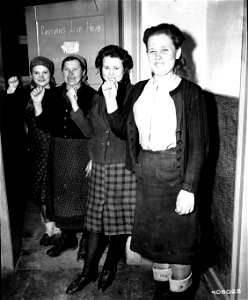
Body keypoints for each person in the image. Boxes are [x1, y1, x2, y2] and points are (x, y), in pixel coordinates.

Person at [105, 24, 209, 300]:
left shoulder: (191, 93)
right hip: (147, 175)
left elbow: (199, 144)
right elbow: (122, 130)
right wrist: (111, 101)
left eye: (165, 50)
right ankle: (161, 292)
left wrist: (190, 187)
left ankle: (178, 295)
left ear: (177, 52)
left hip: (177, 175)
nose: (158, 56)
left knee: (180, 247)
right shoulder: (138, 89)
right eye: (152, 51)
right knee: (155, 244)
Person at [66, 45, 136, 295]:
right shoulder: (97, 96)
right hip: (99, 166)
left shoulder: (132, 94)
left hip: (122, 167)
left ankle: (109, 267)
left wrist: (112, 100)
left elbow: (125, 133)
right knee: (94, 223)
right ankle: (88, 271)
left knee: (117, 223)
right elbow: (90, 132)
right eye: (106, 67)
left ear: (125, 69)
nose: (111, 72)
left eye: (116, 67)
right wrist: (74, 105)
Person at [31, 55, 96, 258]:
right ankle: (68, 239)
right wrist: (38, 104)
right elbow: (45, 125)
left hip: (82, 151)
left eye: (75, 69)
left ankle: (86, 240)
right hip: (59, 151)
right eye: (66, 69)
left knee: (83, 196)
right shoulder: (53, 94)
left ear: (83, 72)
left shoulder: (92, 95)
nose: (70, 74)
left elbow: (96, 130)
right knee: (62, 198)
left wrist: (94, 157)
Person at [6, 56, 61, 246]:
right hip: (35, 150)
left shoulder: (58, 94)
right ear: (31, 74)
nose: (41, 76)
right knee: (39, 192)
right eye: (36, 72)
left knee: (55, 190)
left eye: (45, 72)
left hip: (55, 147)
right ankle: (49, 229)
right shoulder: (24, 94)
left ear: (51, 74)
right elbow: (10, 114)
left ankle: (59, 230)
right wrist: (11, 92)